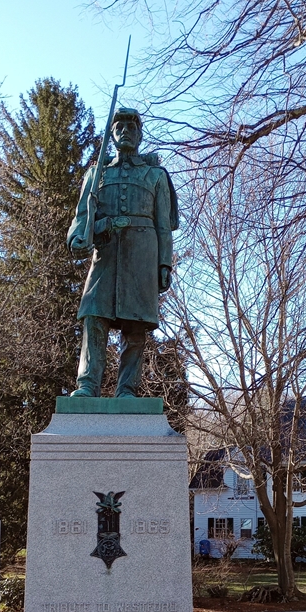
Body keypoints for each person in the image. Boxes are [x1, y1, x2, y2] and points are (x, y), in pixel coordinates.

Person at [67, 107, 178, 397]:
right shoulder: (96, 174)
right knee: (94, 316)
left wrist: (164, 264)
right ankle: (87, 384)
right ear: (112, 135)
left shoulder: (155, 175)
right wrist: (81, 236)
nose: (126, 131)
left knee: (135, 325)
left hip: (142, 256)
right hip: (106, 255)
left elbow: (164, 225)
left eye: (132, 127)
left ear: (140, 135)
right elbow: (82, 218)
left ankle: (127, 389)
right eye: (120, 127)